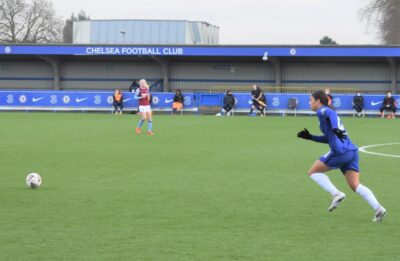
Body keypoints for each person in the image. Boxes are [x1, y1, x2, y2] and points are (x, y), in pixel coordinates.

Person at [297, 90, 386, 222]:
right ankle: (378, 208)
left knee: (313, 172)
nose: (309, 102)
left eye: (311, 100)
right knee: (355, 185)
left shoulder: (323, 111)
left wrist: (335, 128)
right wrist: (311, 137)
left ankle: (336, 194)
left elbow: (331, 114)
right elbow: (329, 137)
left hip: (340, 152)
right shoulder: (323, 113)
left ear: (318, 101)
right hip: (351, 151)